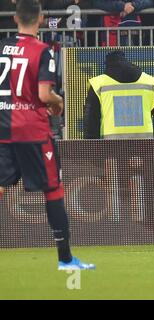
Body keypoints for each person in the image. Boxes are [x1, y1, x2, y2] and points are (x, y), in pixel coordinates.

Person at [0, 0, 95, 270]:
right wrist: (58, 101)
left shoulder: (1, 47)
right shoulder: (42, 51)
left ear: (15, 18)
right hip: (32, 130)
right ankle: (66, 259)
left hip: (2, 126)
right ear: (41, 19)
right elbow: (43, 95)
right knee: (53, 189)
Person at [83, 50, 154, 139]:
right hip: (144, 146)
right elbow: (151, 109)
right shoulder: (149, 82)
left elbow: (91, 122)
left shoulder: (98, 84)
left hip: (110, 148)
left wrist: (91, 149)